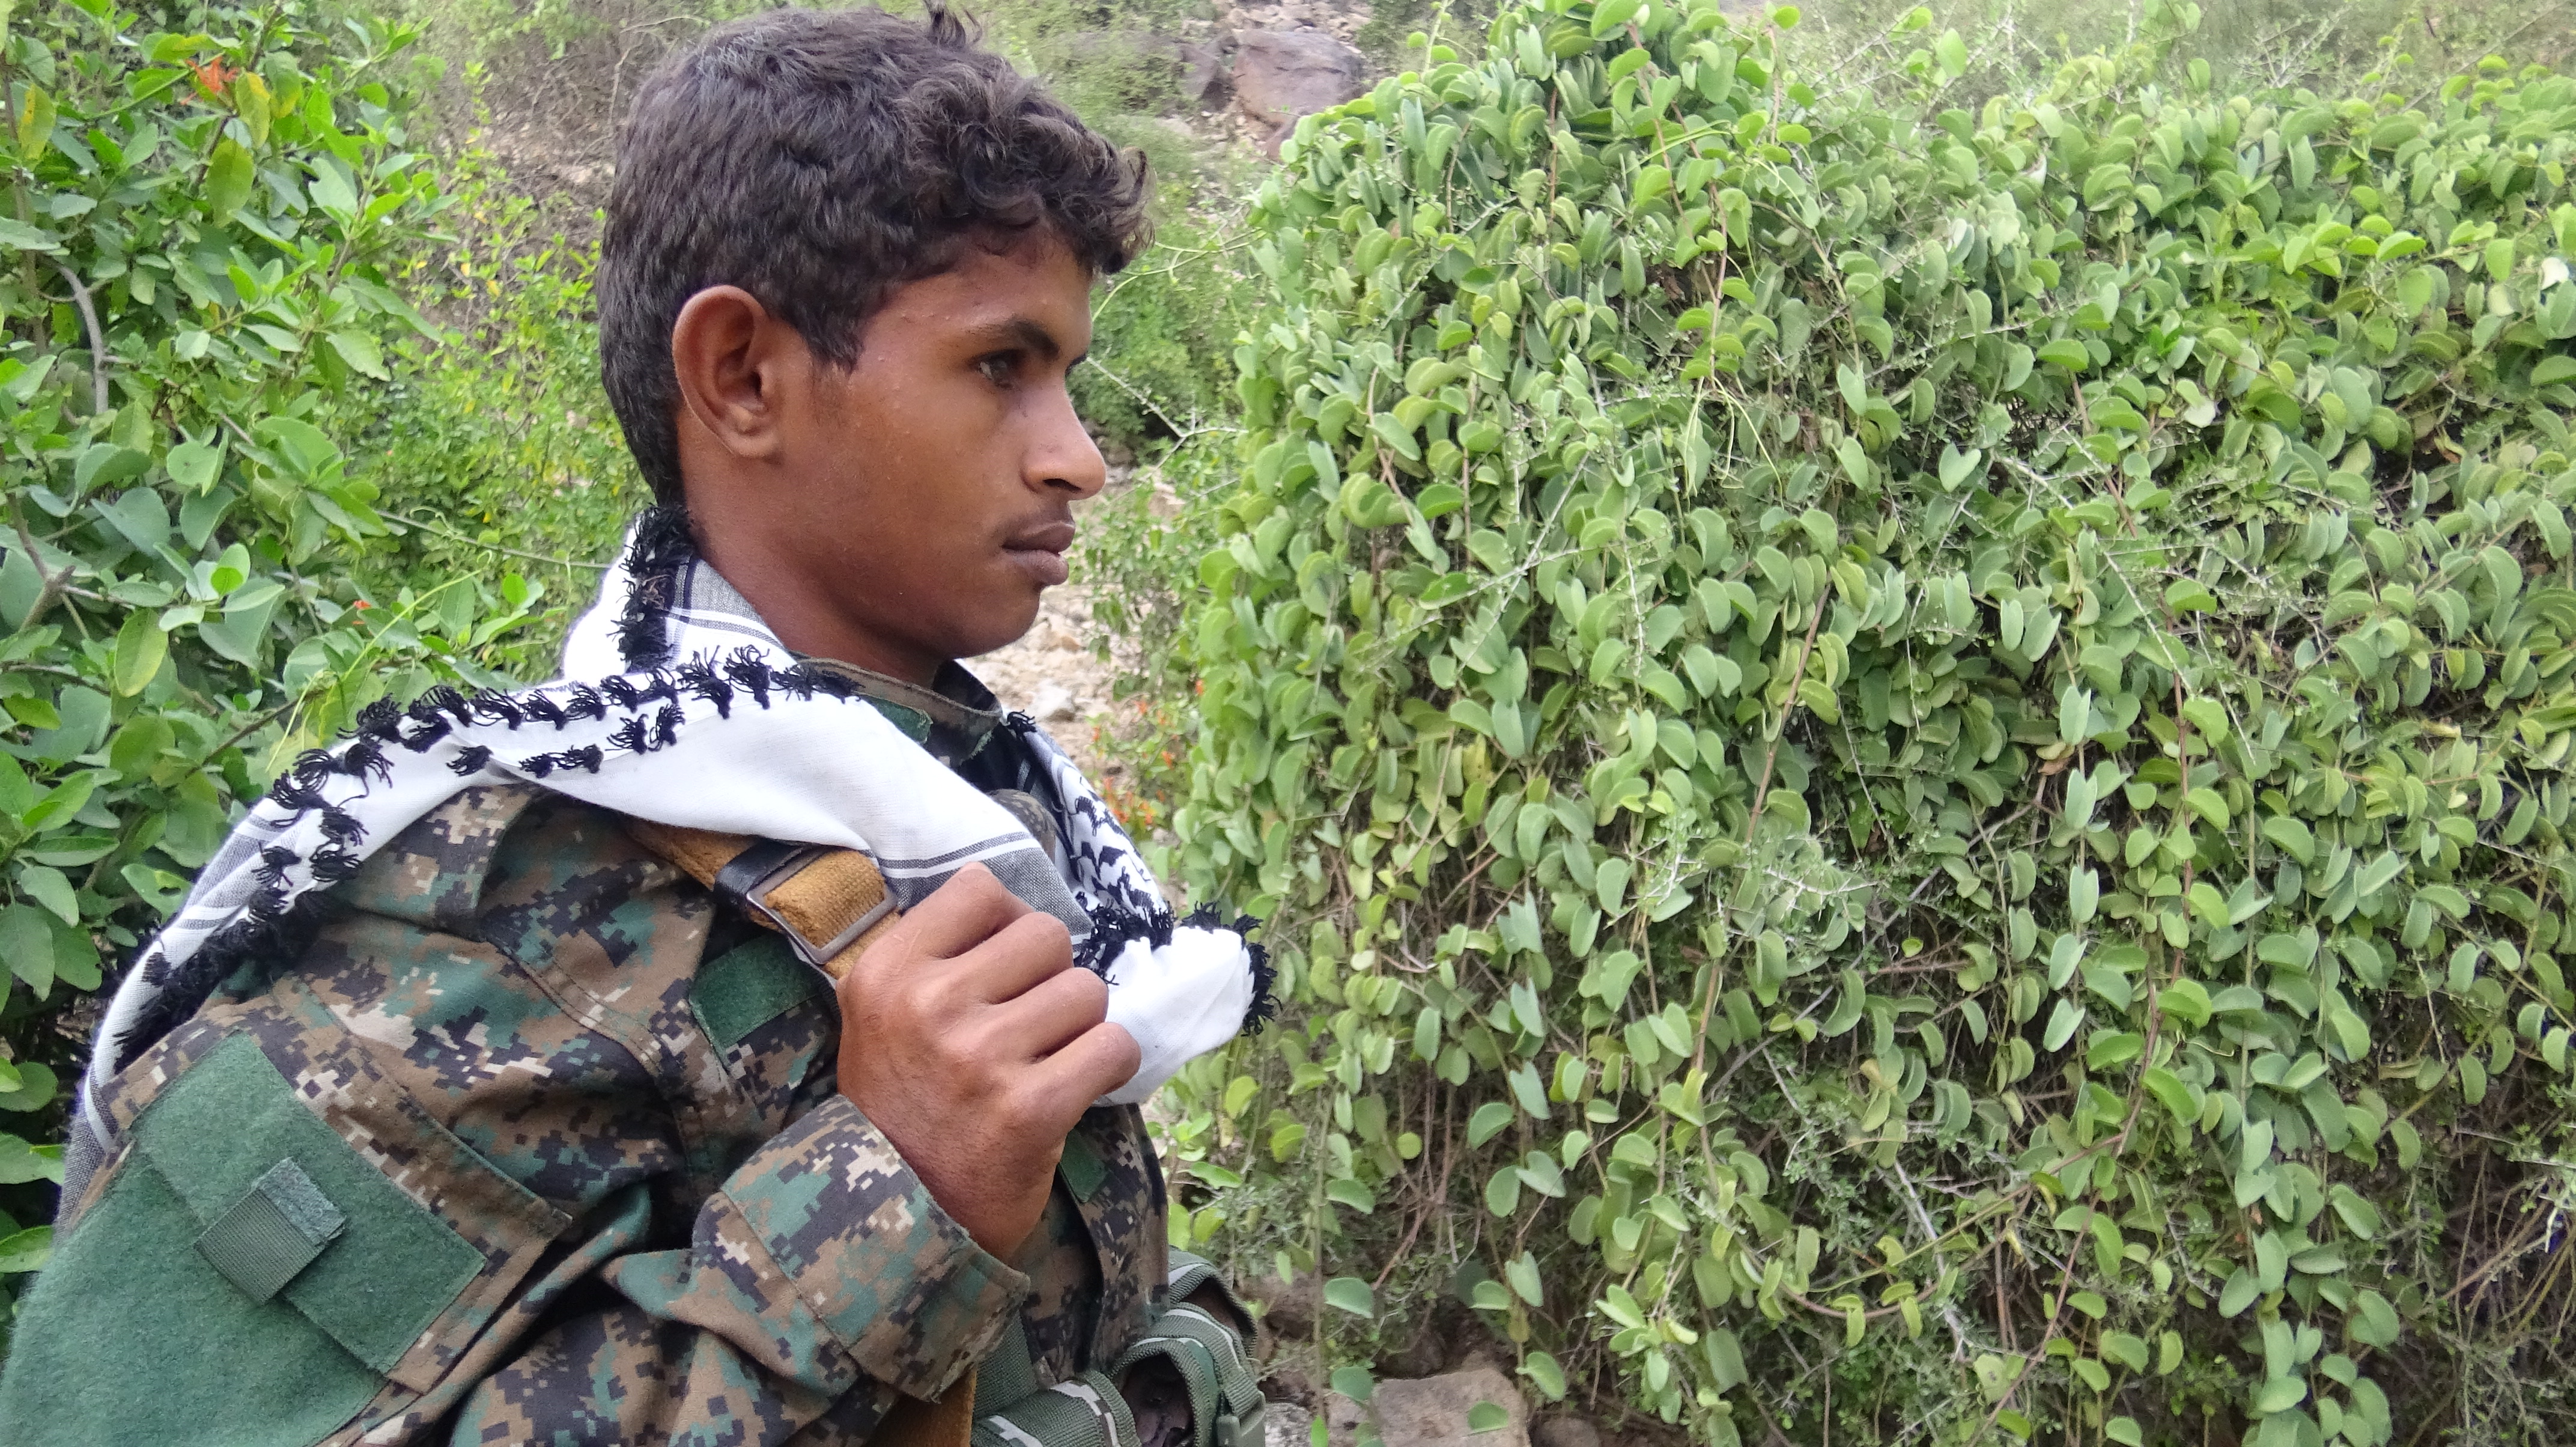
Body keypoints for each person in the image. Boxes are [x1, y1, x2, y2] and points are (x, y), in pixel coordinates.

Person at [0, 8, 1268, 1446]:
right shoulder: (485, 921)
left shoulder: (958, 814)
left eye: (1070, 377)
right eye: (999, 366)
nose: (1078, 457)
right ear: (740, 375)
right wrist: (894, 1193)